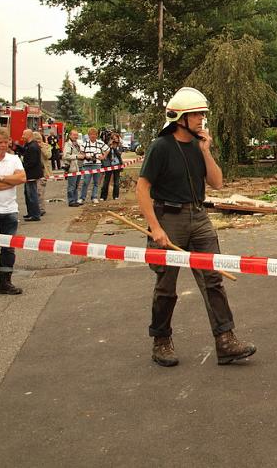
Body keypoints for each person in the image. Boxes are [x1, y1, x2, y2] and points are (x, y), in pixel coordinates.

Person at [137, 86, 256, 367]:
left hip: (199, 218)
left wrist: (205, 151)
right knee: (166, 285)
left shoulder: (197, 146)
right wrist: (155, 228)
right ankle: (161, 340)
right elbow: (142, 190)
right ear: (181, 118)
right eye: (197, 115)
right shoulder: (160, 147)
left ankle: (226, 341)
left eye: (203, 114)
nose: (202, 119)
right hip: (168, 217)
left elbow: (217, 183)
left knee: (213, 279)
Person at [0, 126, 27, 294]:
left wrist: (1, 178)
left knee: (8, 248)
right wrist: (11, 180)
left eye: (4, 142)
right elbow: (16, 179)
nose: (2, 145)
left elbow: (22, 178)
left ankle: (5, 283)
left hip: (9, 210)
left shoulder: (14, 159)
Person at [78, 127, 107, 204]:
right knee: (85, 182)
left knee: (96, 182)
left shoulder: (100, 143)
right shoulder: (84, 144)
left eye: (94, 134)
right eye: (91, 134)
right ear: (88, 135)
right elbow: (81, 153)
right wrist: (86, 156)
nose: (93, 136)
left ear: (97, 135)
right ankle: (82, 198)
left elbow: (107, 149)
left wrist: (103, 156)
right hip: (87, 165)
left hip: (97, 164)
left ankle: (94, 197)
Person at [20, 129, 43, 222]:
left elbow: (32, 162)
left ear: (28, 135)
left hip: (32, 175)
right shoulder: (29, 145)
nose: (22, 136)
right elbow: (25, 151)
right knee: (27, 194)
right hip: (29, 174)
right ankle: (31, 213)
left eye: (23, 134)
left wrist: (22, 167)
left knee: (32, 195)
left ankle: (35, 215)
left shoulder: (33, 147)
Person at [63, 129, 84, 207]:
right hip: (72, 168)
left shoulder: (77, 144)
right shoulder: (68, 145)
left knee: (76, 185)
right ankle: (71, 201)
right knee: (71, 185)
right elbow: (65, 156)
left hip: (79, 167)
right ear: (70, 135)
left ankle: (75, 200)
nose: (76, 136)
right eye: (74, 135)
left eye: (76, 135)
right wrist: (77, 156)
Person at [100, 132, 122, 201]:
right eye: (114, 138)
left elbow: (119, 154)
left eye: (116, 138)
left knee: (116, 182)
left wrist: (114, 148)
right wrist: (109, 146)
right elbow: (105, 153)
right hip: (109, 165)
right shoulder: (108, 146)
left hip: (117, 165)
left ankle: (115, 196)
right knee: (106, 181)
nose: (115, 140)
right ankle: (103, 197)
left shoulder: (120, 146)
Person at [34, 132, 51, 217]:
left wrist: (41, 148)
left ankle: (41, 209)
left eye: (39, 140)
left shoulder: (46, 146)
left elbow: (48, 156)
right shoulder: (32, 146)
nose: (37, 142)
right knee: (34, 192)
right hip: (34, 171)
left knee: (40, 191)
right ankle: (35, 209)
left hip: (43, 171)